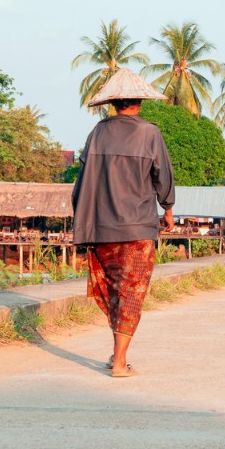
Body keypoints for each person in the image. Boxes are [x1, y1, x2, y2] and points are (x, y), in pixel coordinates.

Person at [72, 68, 175, 378]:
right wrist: (167, 209)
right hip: (138, 228)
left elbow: (81, 183)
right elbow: (163, 176)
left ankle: (117, 354)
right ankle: (119, 362)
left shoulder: (97, 133)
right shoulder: (150, 133)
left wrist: (82, 222)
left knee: (116, 292)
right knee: (132, 293)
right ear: (140, 102)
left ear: (113, 103)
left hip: (101, 228)